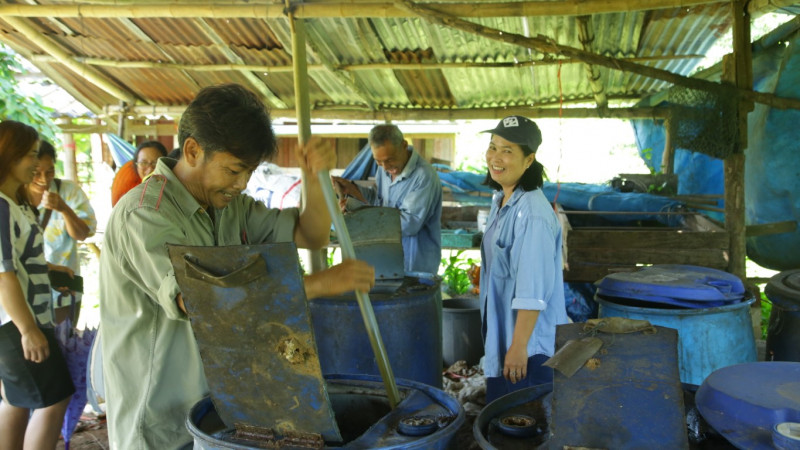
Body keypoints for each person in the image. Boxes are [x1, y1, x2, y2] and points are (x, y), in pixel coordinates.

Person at [99, 83, 376, 449]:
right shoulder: (146, 213)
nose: (242, 184)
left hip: (218, 409)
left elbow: (310, 234)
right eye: (233, 170)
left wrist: (314, 176)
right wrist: (315, 285)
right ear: (194, 150)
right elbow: (201, 302)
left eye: (249, 172)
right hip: (159, 420)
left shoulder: (231, 205)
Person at [478, 116, 569, 403]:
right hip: (505, 337)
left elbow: (532, 290)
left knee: (524, 427)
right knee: (503, 420)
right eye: (493, 147)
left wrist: (519, 348)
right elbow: (510, 263)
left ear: (529, 160)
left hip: (527, 349)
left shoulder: (532, 212)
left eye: (507, 151)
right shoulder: (502, 200)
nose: (496, 157)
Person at [0, 120, 76, 449]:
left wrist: (50, 271)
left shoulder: (14, 203)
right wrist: (28, 329)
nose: (36, 163)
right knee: (54, 399)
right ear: (9, 156)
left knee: (17, 399)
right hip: (16, 323)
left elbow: (20, 262)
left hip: (23, 319)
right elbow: (4, 275)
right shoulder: (1, 206)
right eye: (30, 155)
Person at [332, 124, 442, 274]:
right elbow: (380, 203)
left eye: (390, 160)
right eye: (378, 161)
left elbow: (409, 224)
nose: (385, 167)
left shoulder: (423, 175)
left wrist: (359, 223)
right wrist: (353, 190)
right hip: (388, 259)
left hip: (415, 264)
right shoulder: (384, 169)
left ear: (404, 145)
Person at [26, 140, 97, 324]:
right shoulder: (15, 198)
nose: (43, 179)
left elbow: (82, 234)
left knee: (65, 343)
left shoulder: (68, 191)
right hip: (27, 291)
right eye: (36, 173)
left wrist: (64, 208)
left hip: (66, 285)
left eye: (49, 171)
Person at [109, 140, 168, 206]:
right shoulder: (128, 183)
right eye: (144, 163)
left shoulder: (169, 184)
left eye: (155, 162)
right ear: (136, 165)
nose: (150, 168)